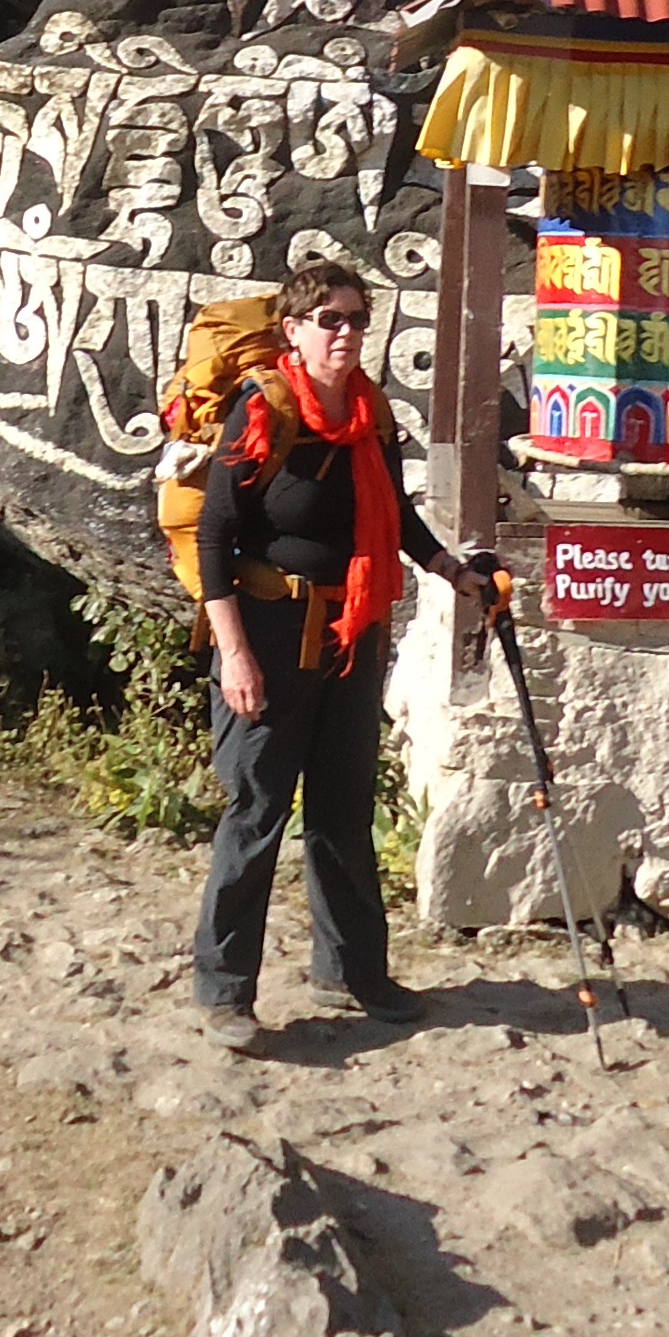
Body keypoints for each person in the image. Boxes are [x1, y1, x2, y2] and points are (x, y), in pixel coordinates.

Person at [188, 253, 482, 1051]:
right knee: (255, 811)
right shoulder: (263, 408)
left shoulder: (370, 412)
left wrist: (450, 570)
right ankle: (224, 993)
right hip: (271, 630)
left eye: (358, 319)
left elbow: (394, 514)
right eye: (332, 320)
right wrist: (236, 655)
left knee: (344, 810)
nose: (348, 333)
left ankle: (353, 972)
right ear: (295, 329)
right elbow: (216, 535)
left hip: (353, 631)